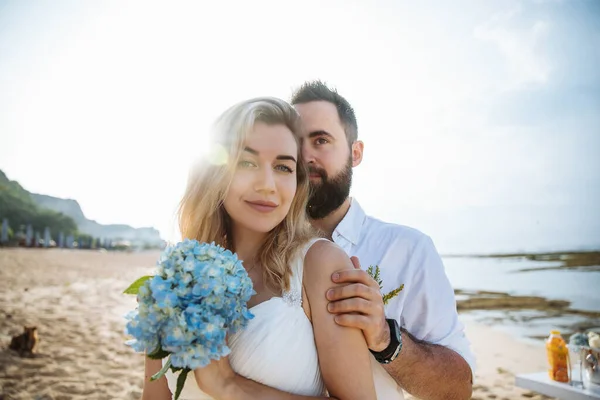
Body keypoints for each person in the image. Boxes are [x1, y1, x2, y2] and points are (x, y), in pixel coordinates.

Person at [140, 97, 378, 400]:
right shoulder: (178, 275)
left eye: (283, 166)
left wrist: (228, 385)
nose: (267, 184)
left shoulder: (320, 265)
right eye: (247, 162)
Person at [291, 81, 476, 400]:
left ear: (355, 152)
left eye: (321, 140)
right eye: (294, 142)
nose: (305, 155)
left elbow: (457, 390)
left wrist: (385, 339)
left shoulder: (408, 250)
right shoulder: (257, 250)